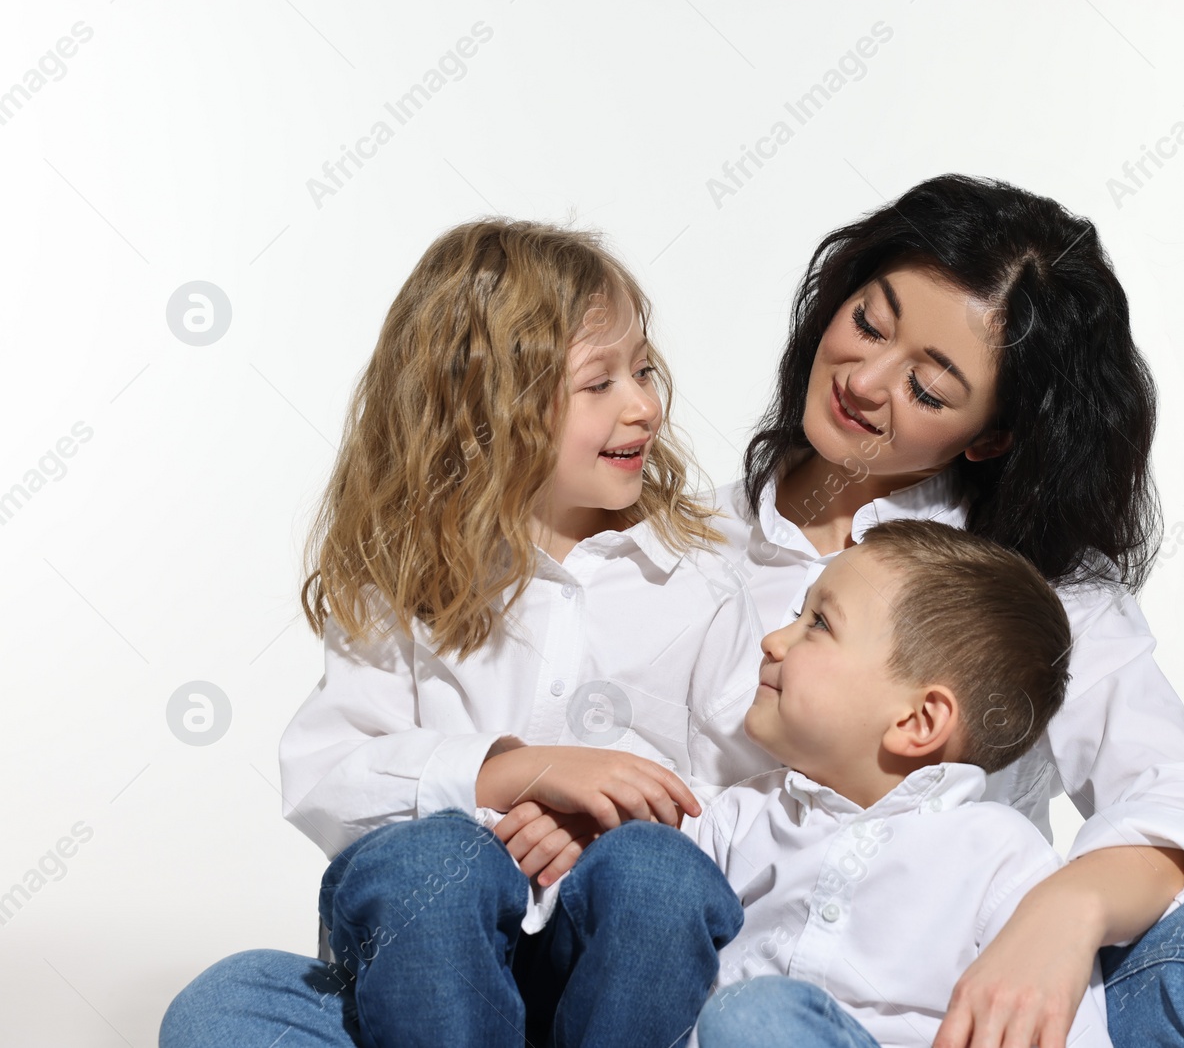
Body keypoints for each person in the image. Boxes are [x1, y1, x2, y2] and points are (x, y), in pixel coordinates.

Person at [704, 173, 1184, 1045]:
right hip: (760, 1007)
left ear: (992, 434)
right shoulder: (677, 542)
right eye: (868, 321)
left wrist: (1067, 906)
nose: (864, 380)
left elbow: (1182, 793)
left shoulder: (1032, 580)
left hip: (994, 1011)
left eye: (929, 388)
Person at [159, 218, 779, 1048]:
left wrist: (614, 825)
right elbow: (327, 779)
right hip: (423, 986)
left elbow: (763, 798)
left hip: (608, 989)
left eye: (642, 369)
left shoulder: (698, 583)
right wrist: (510, 772)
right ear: (486, 409)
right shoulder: (406, 578)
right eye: (599, 383)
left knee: (658, 876)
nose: (644, 404)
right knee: (227, 1003)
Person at [683, 518, 1113, 1048]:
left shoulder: (998, 855)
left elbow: (1065, 1024)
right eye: (797, 613)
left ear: (917, 721)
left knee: (755, 1016)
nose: (773, 641)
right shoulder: (743, 815)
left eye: (818, 623)